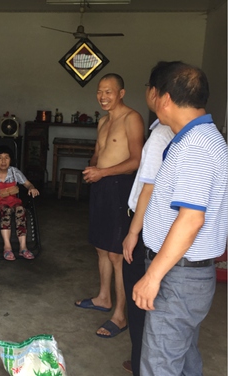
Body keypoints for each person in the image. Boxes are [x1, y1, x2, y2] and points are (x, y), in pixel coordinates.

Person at [96, 62, 228, 376]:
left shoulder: (196, 147)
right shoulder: (199, 138)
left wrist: (152, 276)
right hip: (189, 276)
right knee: (185, 363)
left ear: (165, 98)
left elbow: (190, 219)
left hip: (178, 277)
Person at [102, 64, 175, 376]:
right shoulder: (173, 131)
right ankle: (140, 362)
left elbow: (147, 186)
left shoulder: (159, 135)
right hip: (153, 226)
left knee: (139, 306)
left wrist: (133, 233)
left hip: (146, 226)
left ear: (156, 93)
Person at [76, 73, 144, 338]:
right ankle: (104, 298)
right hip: (101, 186)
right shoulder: (103, 121)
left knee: (117, 254)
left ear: (121, 93)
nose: (103, 97)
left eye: (109, 92)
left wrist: (102, 172)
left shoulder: (132, 118)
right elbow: (98, 151)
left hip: (120, 187)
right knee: (101, 247)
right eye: (99, 91)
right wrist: (92, 167)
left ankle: (120, 315)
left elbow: (136, 160)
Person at [0, 145, 39, 261]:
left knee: (20, 210)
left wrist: (32, 188)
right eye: (0, 158)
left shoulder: (14, 172)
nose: (3, 161)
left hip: (11, 201)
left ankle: (23, 248)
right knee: (6, 210)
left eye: (6, 158)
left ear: (10, 160)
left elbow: (28, 184)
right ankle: (7, 248)